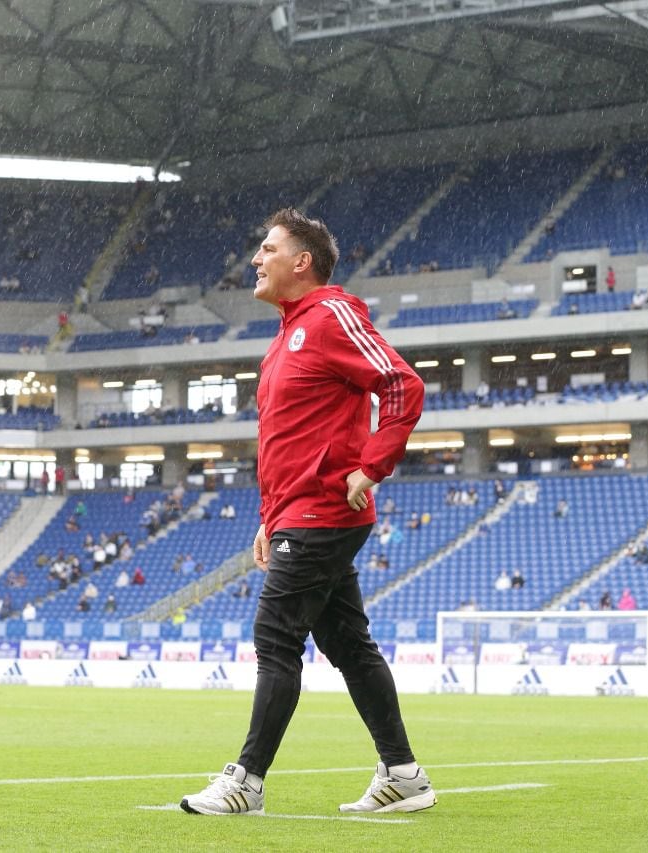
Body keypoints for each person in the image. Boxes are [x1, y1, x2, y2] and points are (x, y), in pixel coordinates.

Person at [181, 208, 433, 818]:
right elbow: (283, 442)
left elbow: (403, 386)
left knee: (275, 636)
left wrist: (373, 465)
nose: (255, 259)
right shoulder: (284, 338)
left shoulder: (331, 316)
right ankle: (403, 775)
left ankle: (246, 781)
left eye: (267, 249)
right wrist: (270, 516)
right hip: (298, 511)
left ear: (302, 261)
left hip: (325, 511)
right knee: (347, 642)